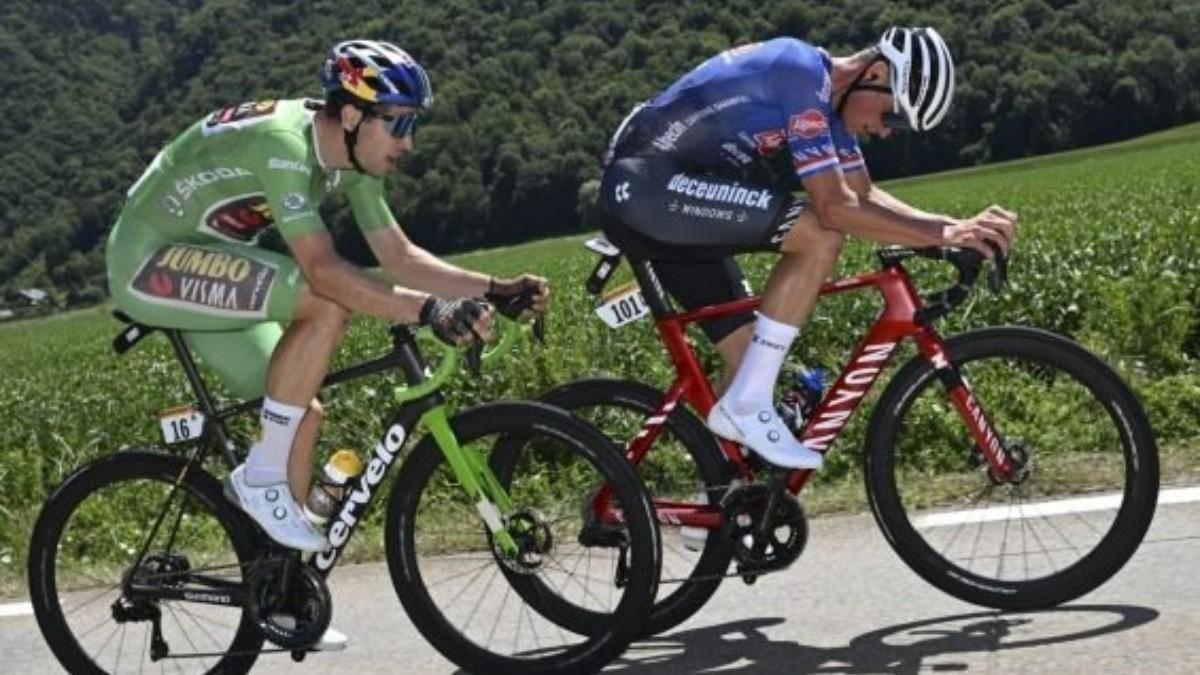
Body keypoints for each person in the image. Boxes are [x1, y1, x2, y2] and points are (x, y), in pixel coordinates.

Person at [107, 40, 549, 555]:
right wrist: (428, 310)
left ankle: (286, 588)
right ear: (353, 114)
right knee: (325, 302)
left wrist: (496, 288)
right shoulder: (285, 146)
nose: (409, 143)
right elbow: (322, 271)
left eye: (414, 125)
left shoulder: (352, 158)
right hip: (149, 261)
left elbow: (400, 257)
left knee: (297, 413)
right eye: (400, 124)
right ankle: (259, 479)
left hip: (211, 259)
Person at [598, 28, 1017, 470]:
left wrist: (954, 228)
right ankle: (748, 405)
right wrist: (946, 234)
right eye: (894, 115)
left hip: (675, 200)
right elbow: (835, 208)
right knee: (820, 232)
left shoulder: (827, 106)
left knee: (745, 358)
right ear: (874, 73)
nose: (888, 132)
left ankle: (725, 507)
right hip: (647, 187)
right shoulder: (800, 73)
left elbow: (865, 196)